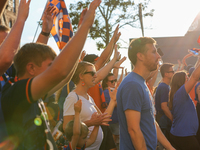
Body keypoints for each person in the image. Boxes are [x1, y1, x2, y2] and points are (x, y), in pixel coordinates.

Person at [1, 0, 101, 149]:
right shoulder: (14, 92)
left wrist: (48, 31)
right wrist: (84, 28)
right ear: (31, 69)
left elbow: (65, 73)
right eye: (49, 65)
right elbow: (59, 71)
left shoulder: (34, 93)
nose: (52, 69)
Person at [117, 37, 175, 150]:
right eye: (154, 52)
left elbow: (151, 122)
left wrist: (170, 148)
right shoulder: (132, 85)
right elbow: (133, 130)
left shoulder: (141, 82)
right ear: (140, 56)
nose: (158, 56)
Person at [63, 59, 119, 150]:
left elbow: (103, 120)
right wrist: (91, 123)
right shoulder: (73, 97)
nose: (95, 76)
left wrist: (113, 101)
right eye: (92, 73)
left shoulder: (88, 97)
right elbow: (66, 128)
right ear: (81, 76)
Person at [169, 69, 200, 149]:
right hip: (183, 136)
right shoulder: (180, 94)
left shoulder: (181, 94)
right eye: (186, 79)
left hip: (184, 135)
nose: (188, 80)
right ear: (180, 82)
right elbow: (194, 77)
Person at [155, 63, 174, 139]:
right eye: (172, 71)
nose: (174, 73)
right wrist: (173, 119)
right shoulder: (164, 87)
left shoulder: (165, 86)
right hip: (163, 118)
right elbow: (164, 106)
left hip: (163, 118)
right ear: (166, 74)